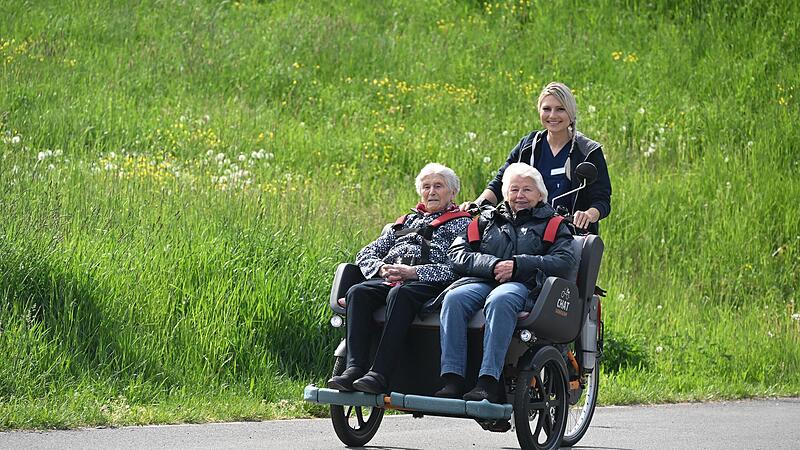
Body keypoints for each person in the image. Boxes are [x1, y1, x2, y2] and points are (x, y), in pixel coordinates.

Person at [436, 163, 577, 403]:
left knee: (500, 300)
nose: (520, 195)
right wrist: (491, 265)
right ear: (505, 193)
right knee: (454, 298)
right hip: (484, 279)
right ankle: (453, 378)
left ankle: (488, 382)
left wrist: (518, 264)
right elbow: (457, 253)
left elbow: (564, 261)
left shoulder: (553, 224)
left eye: (527, 190)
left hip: (525, 284)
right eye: (514, 190)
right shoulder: (485, 219)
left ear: (540, 195)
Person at [327, 163, 472, 395]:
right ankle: (354, 369)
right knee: (358, 292)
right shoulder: (405, 222)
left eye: (438, 186)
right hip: (392, 277)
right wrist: (382, 268)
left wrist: (414, 273)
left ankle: (380, 374)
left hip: (431, 283)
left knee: (400, 293)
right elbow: (365, 253)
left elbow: (458, 267)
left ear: (452, 193)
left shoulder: (463, 223)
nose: (431, 192)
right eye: (426, 187)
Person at [462, 82, 611, 234]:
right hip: (527, 232)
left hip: (570, 235)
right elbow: (500, 182)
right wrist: (476, 205)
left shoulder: (588, 151)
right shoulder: (528, 146)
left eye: (560, 109)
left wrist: (588, 215)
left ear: (571, 113)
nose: (552, 115)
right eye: (546, 109)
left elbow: (602, 200)